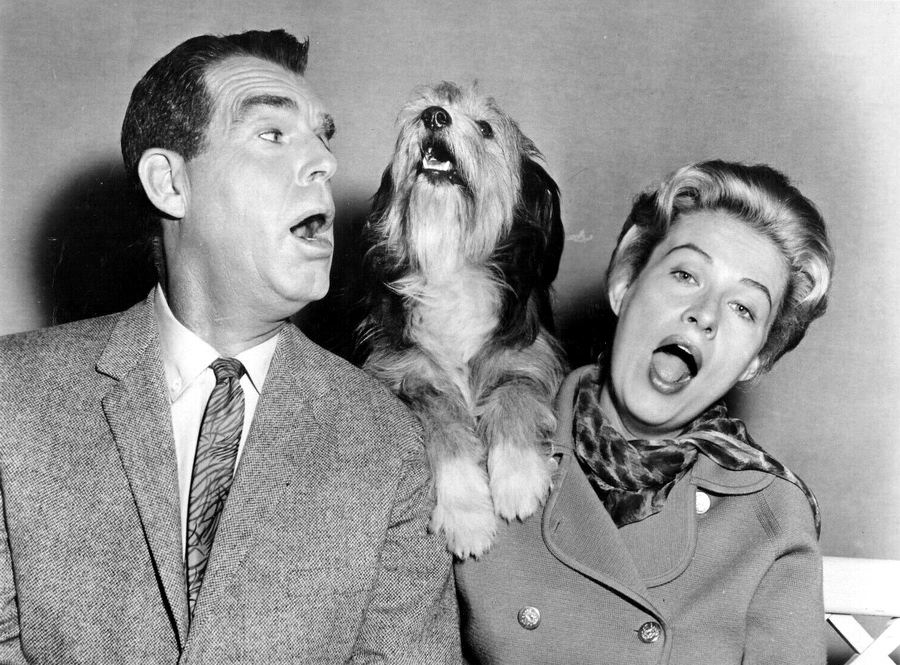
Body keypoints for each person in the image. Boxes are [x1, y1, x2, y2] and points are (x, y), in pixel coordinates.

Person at [0, 29, 459, 663]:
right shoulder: (13, 397)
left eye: (323, 138)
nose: (324, 163)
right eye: (272, 134)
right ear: (170, 183)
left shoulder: (390, 441)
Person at [455, 160, 834, 664]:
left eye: (744, 308)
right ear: (625, 283)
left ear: (756, 360)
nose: (705, 314)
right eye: (685, 274)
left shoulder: (771, 517)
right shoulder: (474, 444)